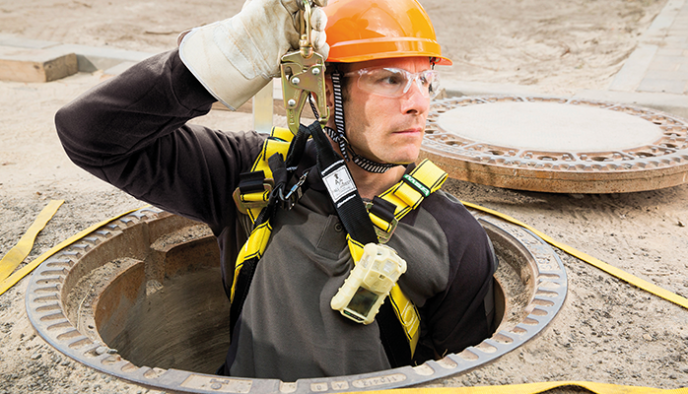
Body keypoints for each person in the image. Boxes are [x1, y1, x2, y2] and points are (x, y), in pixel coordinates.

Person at [55, 0, 497, 381]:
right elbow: (89, 135)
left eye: (425, 80)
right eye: (389, 78)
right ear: (327, 90)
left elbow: (465, 374)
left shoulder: (455, 238)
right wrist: (211, 65)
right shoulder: (257, 173)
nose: (418, 101)